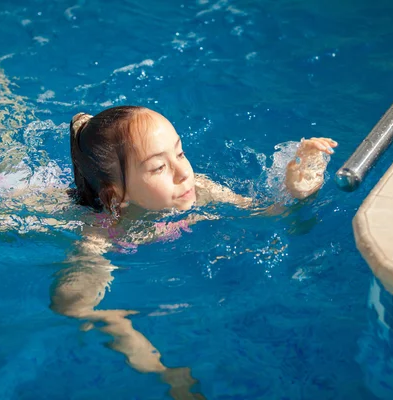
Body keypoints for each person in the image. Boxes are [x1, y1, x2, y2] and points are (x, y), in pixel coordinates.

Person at [50, 106, 337, 399]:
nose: (183, 173)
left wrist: (297, 191)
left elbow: (265, 212)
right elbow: (71, 304)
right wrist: (146, 354)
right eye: (158, 168)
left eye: (180, 153)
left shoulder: (200, 188)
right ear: (116, 197)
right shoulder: (102, 234)